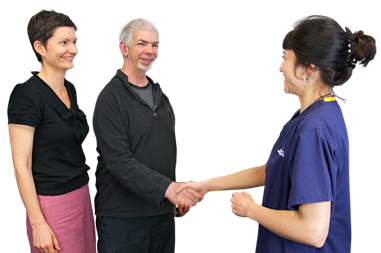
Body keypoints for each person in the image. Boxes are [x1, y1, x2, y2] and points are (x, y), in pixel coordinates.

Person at [178, 15, 377, 252]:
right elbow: (270, 171)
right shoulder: (314, 114)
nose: (281, 67)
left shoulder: (314, 129)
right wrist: (206, 186)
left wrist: (251, 210)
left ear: (308, 68)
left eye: (285, 58)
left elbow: (313, 231)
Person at [92, 17, 202, 253]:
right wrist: (168, 189)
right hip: (122, 221)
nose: (150, 51)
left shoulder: (159, 94)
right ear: (124, 48)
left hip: (162, 214)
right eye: (142, 44)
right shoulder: (109, 99)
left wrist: (173, 196)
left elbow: (164, 151)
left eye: (155, 45)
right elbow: (119, 161)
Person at [7, 10, 96, 253]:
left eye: (74, 42)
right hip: (52, 204)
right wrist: (38, 223)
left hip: (81, 195)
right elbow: (21, 166)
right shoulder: (26, 95)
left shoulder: (70, 88)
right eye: (64, 43)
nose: (73, 49)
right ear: (40, 47)